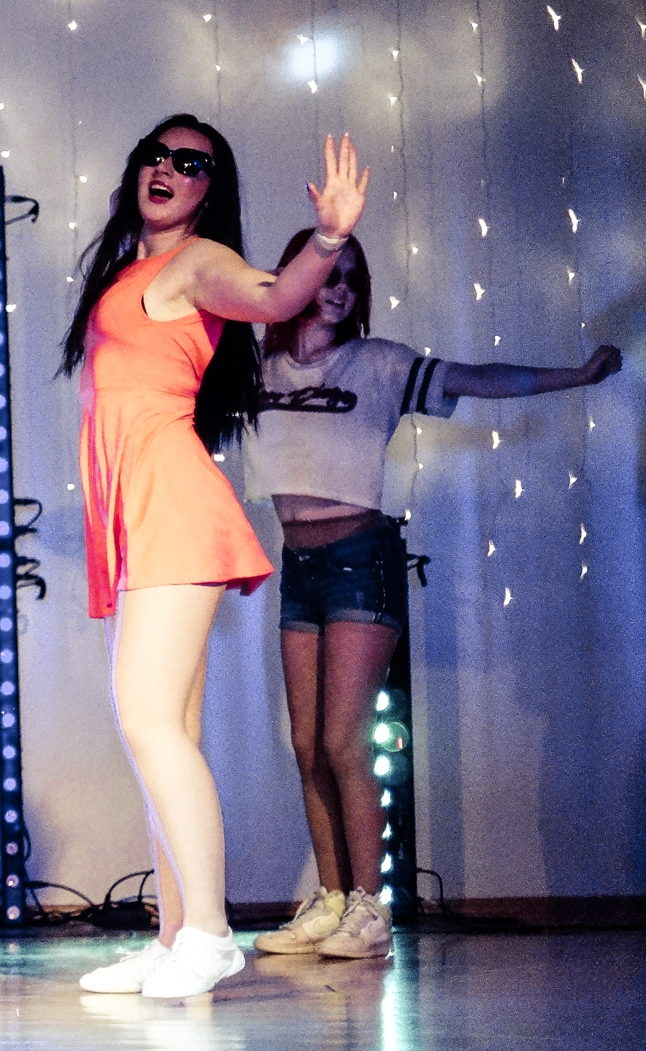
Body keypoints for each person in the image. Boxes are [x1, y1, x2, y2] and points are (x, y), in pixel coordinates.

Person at [246, 232, 621, 961]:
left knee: (343, 740)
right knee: (306, 744)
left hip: (361, 558)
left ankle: (369, 908)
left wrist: (575, 376)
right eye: (328, 273)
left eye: (352, 277)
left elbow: (479, 378)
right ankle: (330, 902)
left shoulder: (378, 362)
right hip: (297, 562)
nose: (340, 288)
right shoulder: (258, 370)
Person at [60, 119, 366, 999]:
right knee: (164, 734)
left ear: (208, 189)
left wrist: (328, 240)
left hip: (172, 506)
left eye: (190, 163)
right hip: (137, 513)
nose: (167, 169)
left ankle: (209, 933)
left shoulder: (199, 261)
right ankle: (173, 937)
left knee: (149, 721)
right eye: (155, 155)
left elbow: (272, 297)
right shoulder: (128, 270)